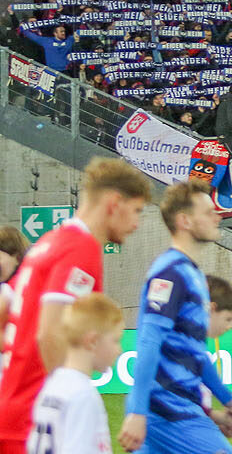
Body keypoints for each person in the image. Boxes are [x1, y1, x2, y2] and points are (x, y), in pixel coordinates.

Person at [0, 159, 151, 454]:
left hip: (13, 406)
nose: (136, 224)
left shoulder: (49, 242)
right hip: (33, 419)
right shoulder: (80, 248)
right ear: (114, 202)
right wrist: (63, 402)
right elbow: (50, 332)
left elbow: (6, 304)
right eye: (136, 212)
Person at [119, 182, 232, 454]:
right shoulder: (170, 274)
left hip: (169, 409)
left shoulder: (191, 274)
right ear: (184, 221)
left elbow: (195, 354)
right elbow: (149, 342)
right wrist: (138, 412)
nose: (217, 215)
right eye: (208, 211)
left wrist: (227, 400)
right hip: (167, 410)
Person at [24, 293, 123, 454]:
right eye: (115, 340)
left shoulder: (51, 385)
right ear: (92, 341)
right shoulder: (83, 396)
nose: (119, 350)